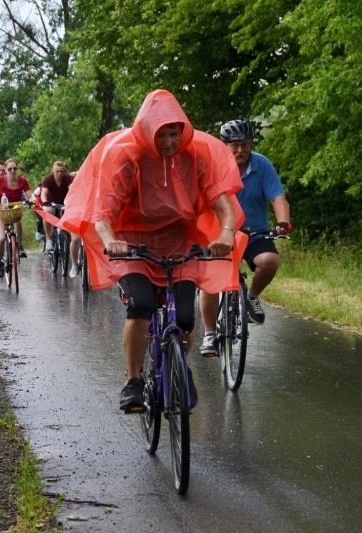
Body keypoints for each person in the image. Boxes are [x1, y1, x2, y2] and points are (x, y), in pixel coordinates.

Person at [59, 89, 245, 413]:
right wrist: (111, 240)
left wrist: (227, 233)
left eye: (175, 133)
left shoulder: (196, 157)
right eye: (163, 134)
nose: (170, 141)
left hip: (179, 244)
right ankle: (133, 381)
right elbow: (103, 213)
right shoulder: (128, 159)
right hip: (133, 246)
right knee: (142, 305)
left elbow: (224, 206)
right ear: (148, 132)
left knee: (185, 319)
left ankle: (176, 363)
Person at [198, 119, 291, 355]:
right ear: (225, 145)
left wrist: (282, 223)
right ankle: (209, 334)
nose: (241, 150)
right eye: (235, 145)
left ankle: (250, 297)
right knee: (209, 282)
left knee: (269, 261)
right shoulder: (214, 166)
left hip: (254, 233)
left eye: (246, 145)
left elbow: (278, 197)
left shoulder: (262, 165)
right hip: (219, 236)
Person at [35, 161, 83, 278]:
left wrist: (72, 201)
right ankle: (49, 240)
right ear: (53, 171)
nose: (60, 174)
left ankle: (69, 253)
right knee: (48, 212)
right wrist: (45, 203)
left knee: (72, 232)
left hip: (66, 205)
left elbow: (72, 190)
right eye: (57, 171)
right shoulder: (48, 179)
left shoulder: (68, 179)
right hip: (51, 205)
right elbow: (44, 193)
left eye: (62, 172)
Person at [0, 158, 32, 278]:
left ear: (17, 169)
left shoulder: (22, 181)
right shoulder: (0, 180)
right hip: (0, 211)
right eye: (10, 169)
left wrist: (31, 202)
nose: (12, 171)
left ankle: (20, 247)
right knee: (1, 238)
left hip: (15, 210)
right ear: (6, 170)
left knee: (18, 222)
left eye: (14, 168)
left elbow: (29, 196)